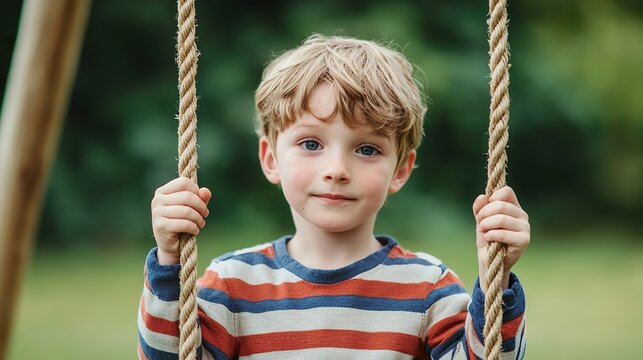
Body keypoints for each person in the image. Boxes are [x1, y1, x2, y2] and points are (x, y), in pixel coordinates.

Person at [137, 34, 529, 359]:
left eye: (367, 149)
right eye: (311, 143)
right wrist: (170, 261)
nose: (337, 169)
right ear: (270, 158)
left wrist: (498, 276)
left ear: (401, 170)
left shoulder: (427, 289)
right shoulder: (233, 286)